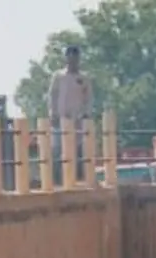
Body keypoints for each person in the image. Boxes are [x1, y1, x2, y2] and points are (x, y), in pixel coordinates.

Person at [48, 45, 93, 184]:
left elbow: (88, 98)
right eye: (70, 57)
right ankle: (57, 181)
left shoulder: (83, 78)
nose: (73, 61)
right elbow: (52, 95)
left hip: (77, 122)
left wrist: (86, 114)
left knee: (78, 151)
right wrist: (52, 113)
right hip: (60, 120)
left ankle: (78, 180)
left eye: (76, 58)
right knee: (57, 150)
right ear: (66, 58)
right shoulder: (58, 76)